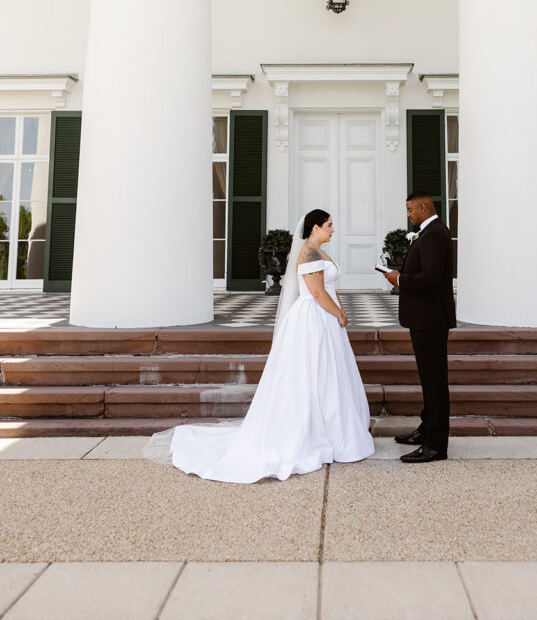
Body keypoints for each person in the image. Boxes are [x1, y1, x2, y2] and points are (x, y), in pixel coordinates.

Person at [142, 209, 374, 483]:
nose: (333, 230)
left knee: (328, 375)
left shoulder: (320, 252)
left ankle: (332, 428)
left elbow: (330, 289)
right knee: (314, 373)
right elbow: (317, 292)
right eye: (329, 225)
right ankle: (315, 432)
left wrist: (340, 310)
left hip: (326, 319)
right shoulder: (310, 253)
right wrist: (337, 313)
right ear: (314, 228)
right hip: (314, 320)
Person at [382, 190, 456, 463]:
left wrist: (400, 280)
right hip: (424, 318)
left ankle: (436, 445)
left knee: (435, 381)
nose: (409, 215)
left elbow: (431, 277)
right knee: (429, 379)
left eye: (411, 210)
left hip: (431, 318)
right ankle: (426, 430)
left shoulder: (435, 233)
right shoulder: (429, 232)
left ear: (423, 207)